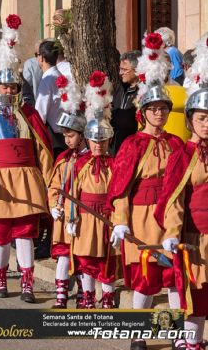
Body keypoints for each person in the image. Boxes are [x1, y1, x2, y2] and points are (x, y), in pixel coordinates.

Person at [108, 32, 183, 350]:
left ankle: (178, 333)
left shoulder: (177, 143)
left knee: (175, 276)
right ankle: (138, 333)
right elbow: (121, 188)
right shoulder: (132, 144)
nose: (159, 113)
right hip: (140, 218)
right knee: (145, 279)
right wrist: (120, 220)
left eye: (163, 108)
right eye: (153, 108)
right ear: (144, 111)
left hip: (171, 218)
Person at [0, 14, 53, 303]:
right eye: (3, 87)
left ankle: (28, 284)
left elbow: (43, 150)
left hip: (27, 180)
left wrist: (49, 181)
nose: (8, 91)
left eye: (13, 88)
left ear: (19, 89)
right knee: (1, 233)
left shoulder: (29, 115)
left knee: (25, 233)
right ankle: (2, 278)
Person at [155, 33, 208, 350]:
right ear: (190, 120)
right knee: (193, 292)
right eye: (202, 118)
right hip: (193, 236)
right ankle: (188, 342)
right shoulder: (183, 155)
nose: (207, 124)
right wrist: (172, 233)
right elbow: (173, 197)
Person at [49, 71, 117, 309]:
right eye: (65, 136)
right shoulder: (73, 162)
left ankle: (104, 301)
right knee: (80, 259)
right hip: (80, 218)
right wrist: (62, 211)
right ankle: (79, 298)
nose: (68, 141)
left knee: (105, 263)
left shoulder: (113, 164)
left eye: (71, 135)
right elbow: (65, 189)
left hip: (103, 217)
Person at [35, 39, 65, 159]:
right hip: (64, 133)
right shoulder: (60, 77)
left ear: (41, 58)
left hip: (54, 138)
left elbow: (39, 115)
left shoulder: (47, 80)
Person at [110, 50, 141, 155]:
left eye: (124, 69)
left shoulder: (143, 91)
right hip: (116, 147)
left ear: (136, 70)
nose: (120, 73)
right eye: (120, 69)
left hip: (134, 148)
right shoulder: (120, 87)